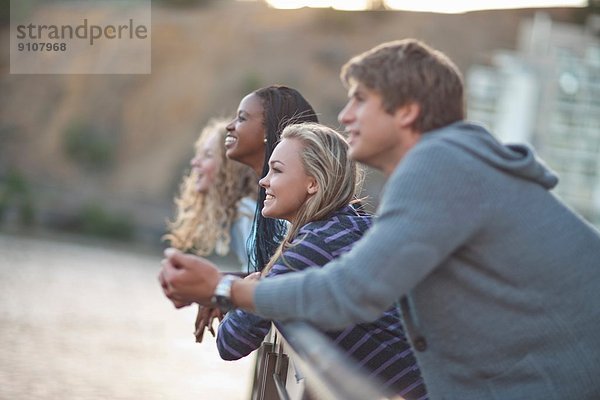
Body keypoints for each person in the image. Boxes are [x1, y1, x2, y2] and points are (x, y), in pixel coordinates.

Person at [160, 39, 600, 400]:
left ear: (405, 111)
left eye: (360, 100)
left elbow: (351, 291)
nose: (345, 115)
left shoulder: (440, 166)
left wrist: (225, 288)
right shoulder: (452, 168)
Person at [216, 122, 427, 398]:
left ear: (313, 183)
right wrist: (251, 285)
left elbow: (230, 343)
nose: (263, 181)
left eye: (277, 170)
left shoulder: (316, 246)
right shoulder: (350, 226)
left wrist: (240, 292)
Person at [224, 85, 319, 273]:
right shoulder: (269, 195)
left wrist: (223, 287)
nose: (230, 126)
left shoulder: (298, 208)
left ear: (269, 130)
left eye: (242, 118)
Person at [164, 118, 257, 267]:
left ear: (228, 167)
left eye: (207, 155)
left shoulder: (246, 214)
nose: (195, 162)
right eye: (198, 154)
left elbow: (264, 273)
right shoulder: (235, 213)